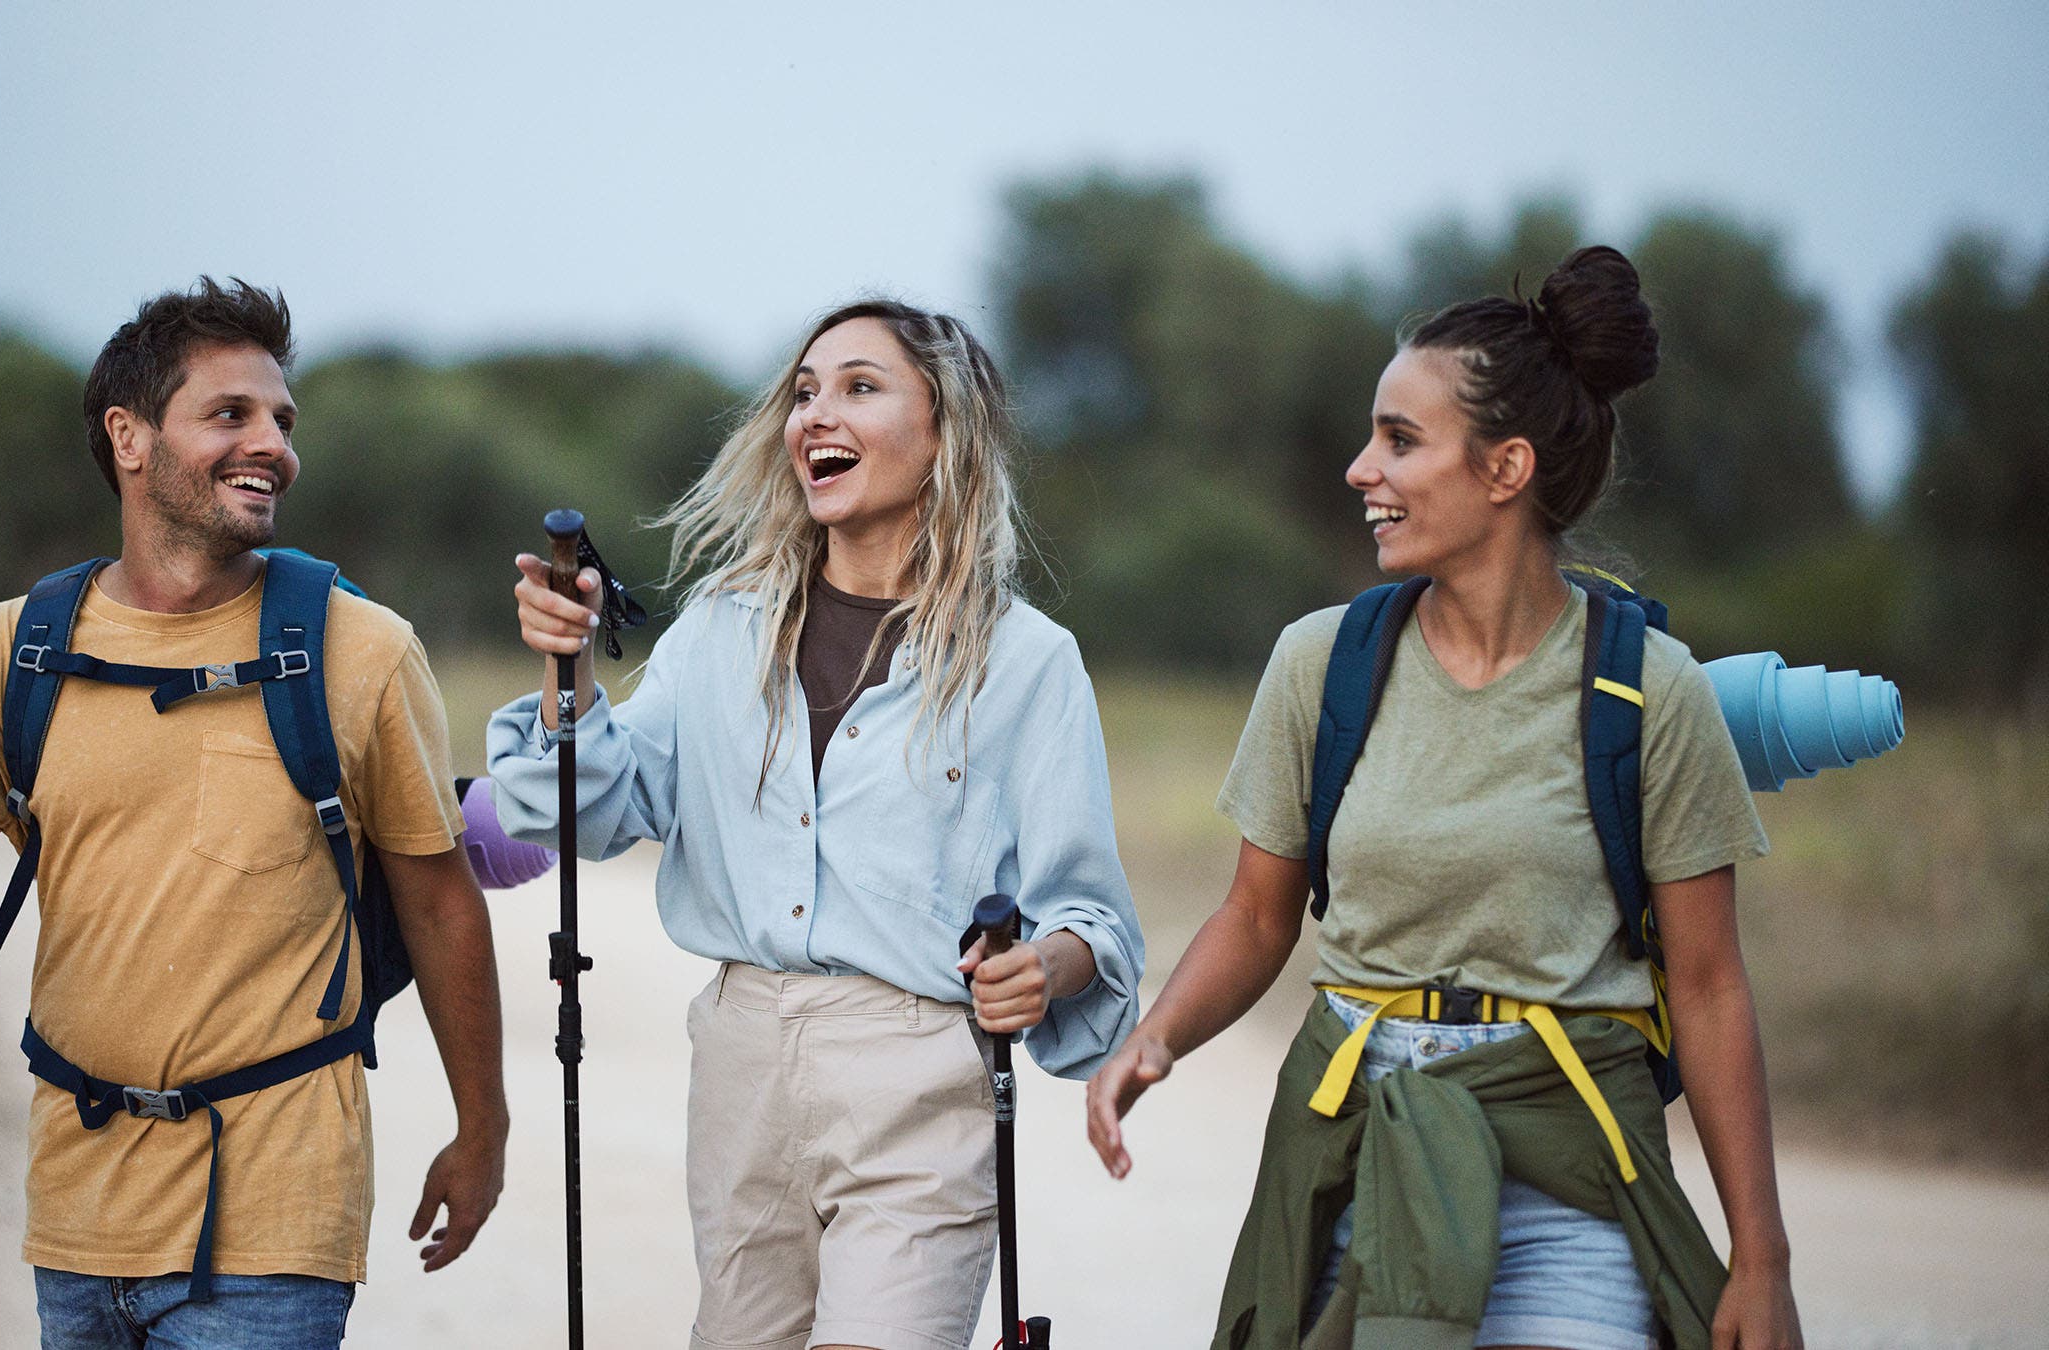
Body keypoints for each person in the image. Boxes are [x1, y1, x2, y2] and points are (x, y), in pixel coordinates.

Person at [0, 278, 509, 1349]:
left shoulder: (361, 649)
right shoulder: (10, 651)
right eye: (231, 414)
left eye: (283, 420)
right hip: (80, 1210)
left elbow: (438, 903)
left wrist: (485, 1129)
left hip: (275, 1219)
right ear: (130, 437)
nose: (274, 446)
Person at [1085, 248, 1805, 1350]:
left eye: (1400, 441)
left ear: (1506, 468)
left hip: (1572, 1172)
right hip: (1360, 1156)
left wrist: (1762, 1259)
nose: (1359, 468)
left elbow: (1708, 989)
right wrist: (1158, 1037)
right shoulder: (1321, 665)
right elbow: (1259, 914)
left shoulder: (1649, 691)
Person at [489, 299, 1146, 1350]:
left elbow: (1090, 916)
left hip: (921, 1072)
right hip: (742, 1067)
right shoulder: (718, 631)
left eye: (859, 387)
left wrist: (1048, 968)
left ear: (946, 433)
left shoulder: (1027, 663)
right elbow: (597, 807)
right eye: (803, 392)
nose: (815, 415)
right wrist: (563, 672)